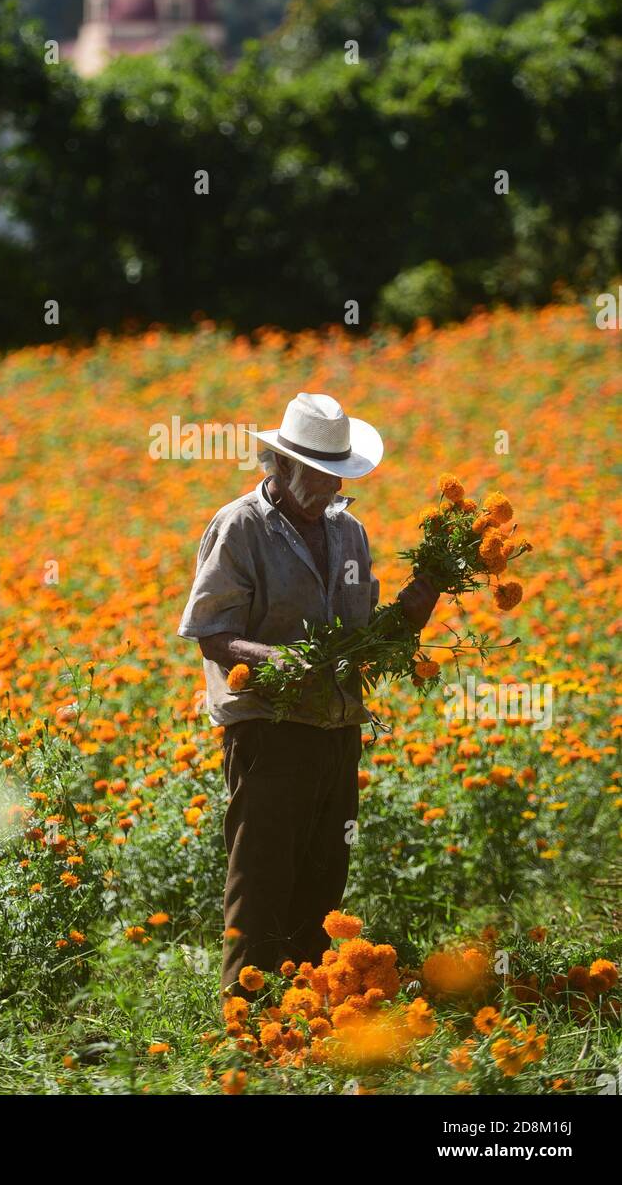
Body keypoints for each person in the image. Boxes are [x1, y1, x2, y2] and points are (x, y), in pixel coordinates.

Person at [177, 392, 439, 1000]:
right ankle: (242, 1015)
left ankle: (304, 1009)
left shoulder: (348, 532)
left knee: (324, 877)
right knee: (262, 876)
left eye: (338, 475)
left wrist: (411, 616)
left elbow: (361, 639)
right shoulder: (241, 526)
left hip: (337, 729)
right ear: (282, 464)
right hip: (269, 729)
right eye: (321, 474)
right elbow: (211, 633)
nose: (330, 487)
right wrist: (279, 661)